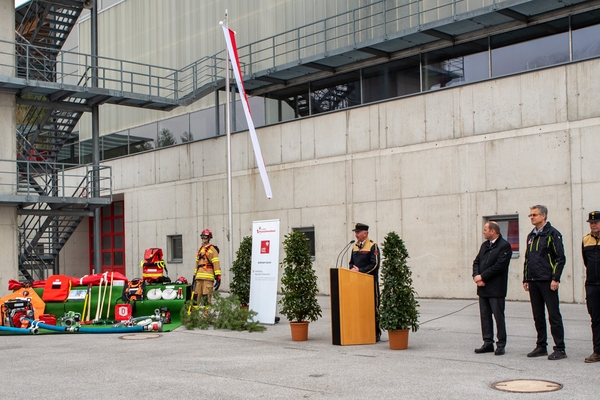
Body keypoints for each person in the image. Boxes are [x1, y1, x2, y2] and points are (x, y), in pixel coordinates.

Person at [523, 205, 567, 360]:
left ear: (543, 216)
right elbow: (527, 259)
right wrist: (526, 278)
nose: (532, 217)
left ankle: (560, 348)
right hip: (533, 280)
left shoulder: (553, 234)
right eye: (530, 215)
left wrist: (555, 278)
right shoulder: (531, 236)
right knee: (538, 315)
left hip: (548, 281)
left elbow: (560, 259)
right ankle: (541, 346)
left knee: (553, 315)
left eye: (534, 215)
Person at [472, 221, 512, 356]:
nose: (483, 232)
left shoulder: (504, 246)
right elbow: (476, 261)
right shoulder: (485, 245)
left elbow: (499, 266)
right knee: (485, 316)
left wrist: (482, 276)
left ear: (493, 231)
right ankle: (488, 342)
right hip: (483, 288)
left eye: (485, 229)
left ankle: (501, 344)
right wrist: (476, 276)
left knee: (498, 316)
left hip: (496, 289)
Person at [349, 223, 381, 342]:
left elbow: (375, 264)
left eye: (358, 232)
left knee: (373, 307)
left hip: (370, 283)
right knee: (359, 308)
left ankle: (375, 333)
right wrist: (353, 269)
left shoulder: (373, 246)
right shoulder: (355, 246)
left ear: (365, 233)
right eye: (355, 232)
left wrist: (360, 271)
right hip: (357, 283)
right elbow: (351, 262)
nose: (356, 235)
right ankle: (362, 332)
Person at [582, 211, 600, 363]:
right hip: (592, 285)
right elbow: (586, 262)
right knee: (595, 319)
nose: (593, 224)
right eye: (591, 222)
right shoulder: (586, 240)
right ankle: (597, 351)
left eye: (596, 222)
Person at [193, 228, 221, 306]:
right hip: (199, 278)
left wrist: (218, 277)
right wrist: (194, 275)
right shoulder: (200, 250)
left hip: (208, 278)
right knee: (196, 298)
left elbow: (216, 263)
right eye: (202, 237)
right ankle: (195, 316)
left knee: (206, 299)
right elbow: (197, 264)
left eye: (205, 237)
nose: (203, 239)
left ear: (209, 238)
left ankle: (206, 317)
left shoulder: (213, 250)